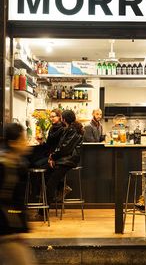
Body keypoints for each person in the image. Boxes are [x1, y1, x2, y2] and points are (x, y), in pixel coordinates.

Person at [0, 123, 37, 264]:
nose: (26, 143)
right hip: (6, 231)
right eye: (23, 140)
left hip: (10, 230)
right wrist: (14, 228)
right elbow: (7, 200)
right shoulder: (6, 165)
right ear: (13, 143)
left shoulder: (17, 163)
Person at [43, 110, 83, 209]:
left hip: (68, 160)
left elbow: (64, 148)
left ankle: (43, 212)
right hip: (65, 159)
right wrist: (53, 157)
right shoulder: (70, 129)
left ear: (64, 119)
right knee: (47, 174)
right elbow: (62, 147)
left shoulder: (72, 130)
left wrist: (53, 157)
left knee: (51, 183)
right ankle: (62, 188)